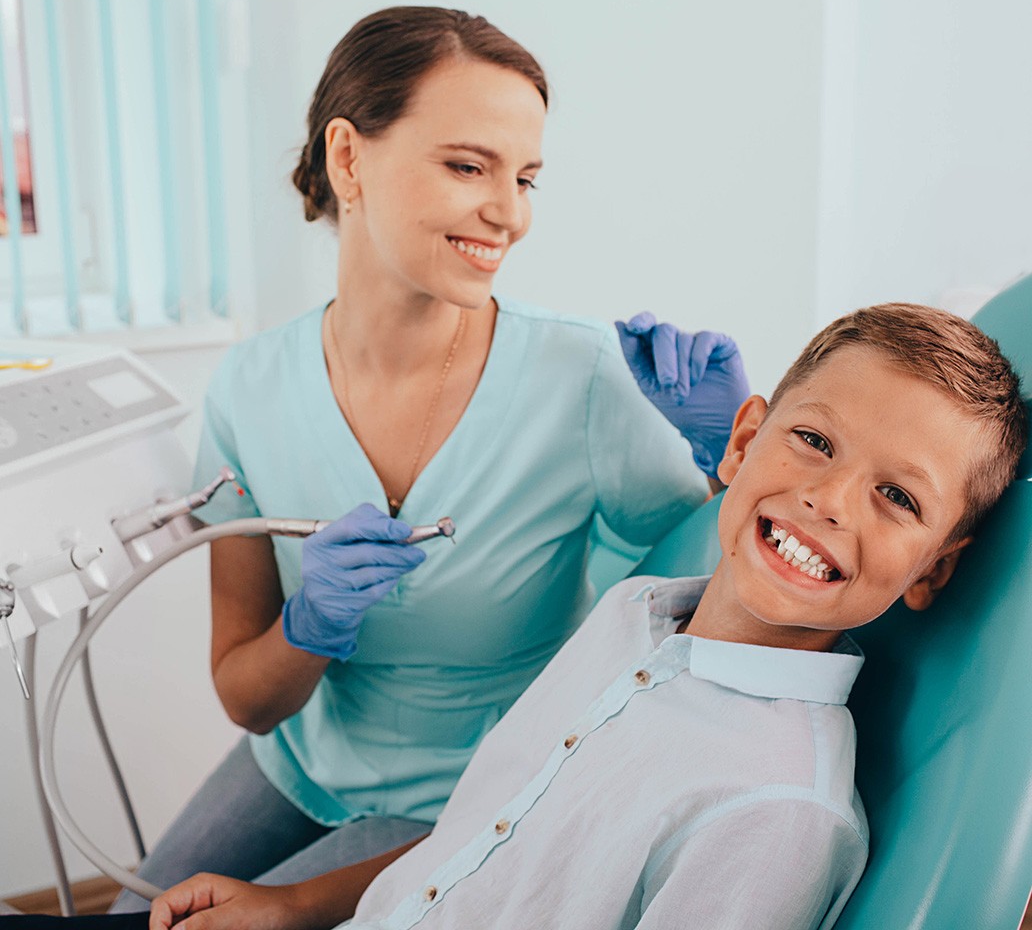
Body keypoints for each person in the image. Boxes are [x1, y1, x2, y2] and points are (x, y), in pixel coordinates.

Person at [0, 303, 1001, 929]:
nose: (831, 497)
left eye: (898, 497)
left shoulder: (777, 817)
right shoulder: (636, 619)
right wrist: (291, 904)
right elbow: (495, 837)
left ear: (933, 571)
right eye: (813, 439)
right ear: (747, 439)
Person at [105, 7, 747, 911]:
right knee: (137, 909)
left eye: (525, 177)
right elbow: (248, 700)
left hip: (481, 792)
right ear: (348, 158)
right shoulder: (249, 388)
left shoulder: (583, 379)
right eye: (467, 166)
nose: (509, 213)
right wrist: (307, 627)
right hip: (301, 763)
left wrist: (732, 453)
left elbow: (718, 588)